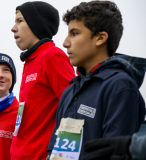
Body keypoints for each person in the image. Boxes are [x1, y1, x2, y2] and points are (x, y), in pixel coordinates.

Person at [47, 1, 145, 159]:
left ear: (100, 38)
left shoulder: (120, 86)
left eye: (75, 33)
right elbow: (54, 151)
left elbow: (117, 155)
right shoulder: (69, 91)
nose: (65, 43)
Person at [10, 1, 75, 159]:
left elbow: (73, 110)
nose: (13, 28)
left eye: (20, 21)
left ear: (36, 24)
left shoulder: (53, 56)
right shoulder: (30, 61)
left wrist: (62, 156)